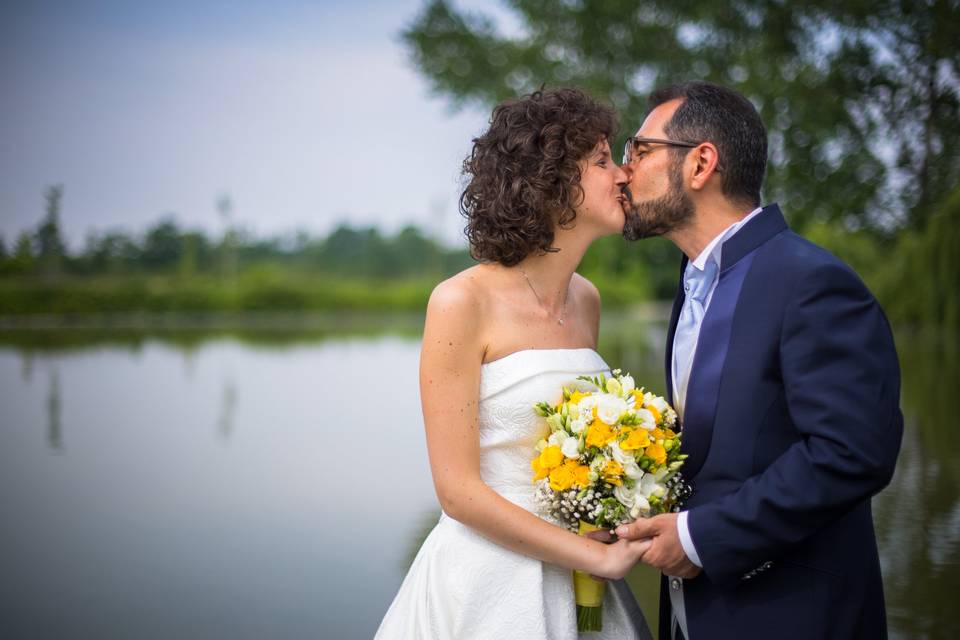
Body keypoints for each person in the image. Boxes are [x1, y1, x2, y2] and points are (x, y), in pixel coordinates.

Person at [613, 81, 904, 639]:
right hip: (692, 616)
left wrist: (701, 538)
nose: (625, 172)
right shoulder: (695, 281)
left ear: (700, 164)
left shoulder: (811, 282)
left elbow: (852, 452)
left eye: (639, 150)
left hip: (790, 616)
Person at [375, 88, 653, 639]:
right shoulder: (460, 302)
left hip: (585, 575)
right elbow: (457, 492)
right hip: (488, 582)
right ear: (550, 183)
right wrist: (591, 558)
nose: (623, 174)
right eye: (601, 160)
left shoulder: (588, 299)